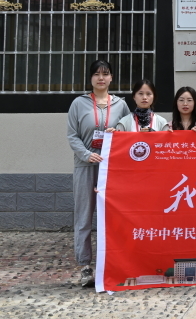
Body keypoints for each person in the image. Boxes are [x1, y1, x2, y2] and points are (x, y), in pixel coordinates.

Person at [66, 59, 131, 287]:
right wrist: (86, 154)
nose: (101, 78)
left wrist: (118, 133)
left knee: (113, 217)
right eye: (96, 74)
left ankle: (113, 263)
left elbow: (128, 132)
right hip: (86, 166)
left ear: (111, 77)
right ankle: (85, 266)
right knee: (84, 217)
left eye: (105, 74)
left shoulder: (121, 105)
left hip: (112, 168)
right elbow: (72, 135)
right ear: (91, 78)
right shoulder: (78, 104)